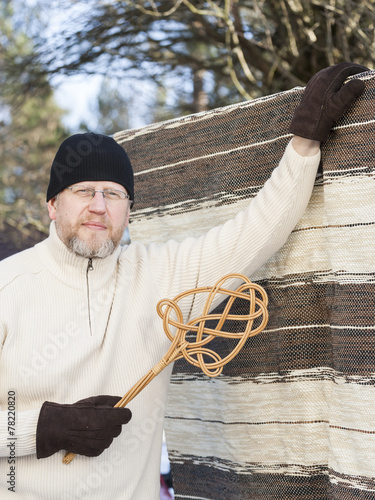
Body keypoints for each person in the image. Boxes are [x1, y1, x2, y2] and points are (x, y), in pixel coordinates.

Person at [0, 62, 367, 499]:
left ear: (128, 211)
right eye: (83, 190)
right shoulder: (9, 286)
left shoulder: (160, 275)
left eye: (113, 194)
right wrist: (40, 429)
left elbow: (254, 231)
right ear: (52, 205)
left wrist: (304, 144)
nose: (99, 206)